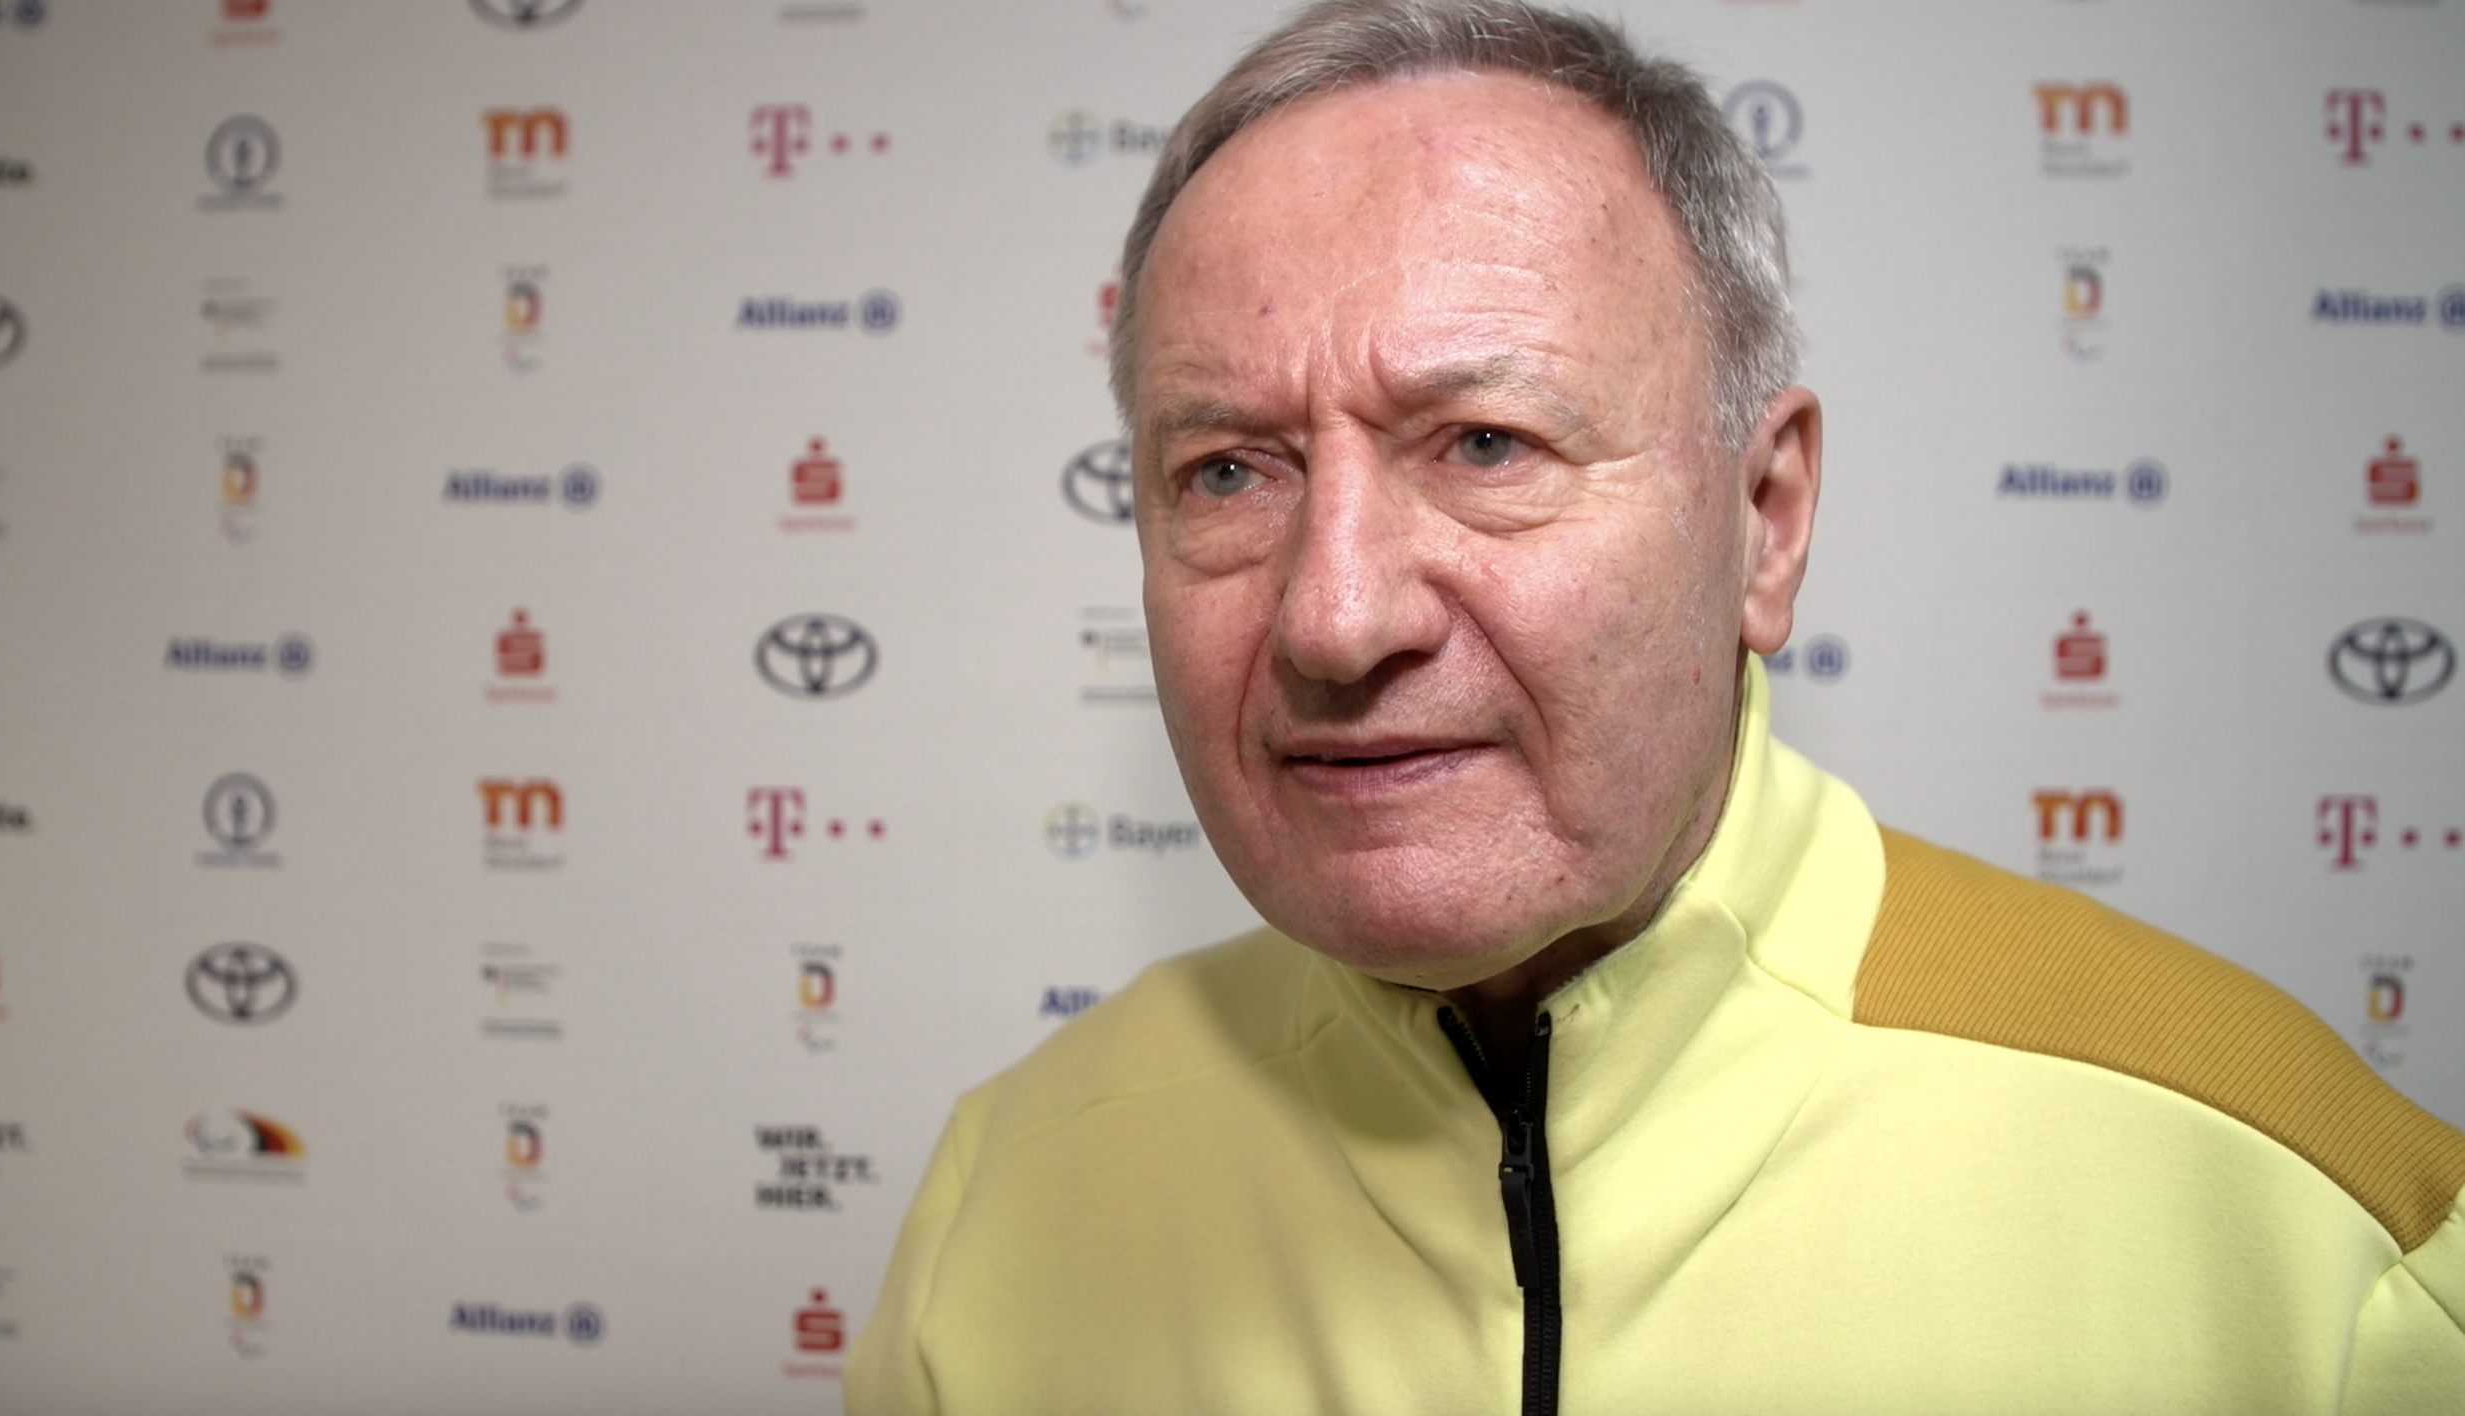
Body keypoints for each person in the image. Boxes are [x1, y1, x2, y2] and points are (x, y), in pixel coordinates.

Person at [846, 2, 2465, 1411]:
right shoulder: (1008, 1207)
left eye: (1485, 445)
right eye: (1226, 472)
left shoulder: (2300, 1218)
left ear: (1764, 520)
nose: (1334, 617)